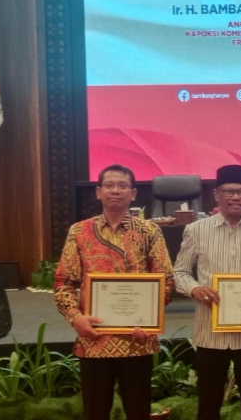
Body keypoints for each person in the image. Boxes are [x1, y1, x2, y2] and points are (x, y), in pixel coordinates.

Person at [54, 164, 175, 420]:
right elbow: (64, 282)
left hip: (138, 339)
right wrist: (75, 318)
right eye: (109, 185)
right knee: (95, 413)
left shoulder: (149, 231)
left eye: (122, 185)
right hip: (94, 338)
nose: (116, 190)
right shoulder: (80, 231)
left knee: (138, 412)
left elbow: (166, 280)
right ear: (98, 192)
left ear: (133, 193)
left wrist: (150, 319)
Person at [173, 165, 241, 420]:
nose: (235, 197)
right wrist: (195, 289)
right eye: (229, 191)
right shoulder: (196, 230)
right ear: (217, 194)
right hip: (210, 332)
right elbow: (179, 272)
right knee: (208, 405)